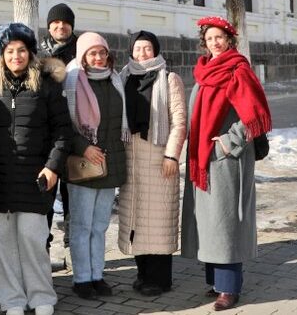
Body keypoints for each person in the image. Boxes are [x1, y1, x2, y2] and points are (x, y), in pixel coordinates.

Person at [0, 23, 70, 315]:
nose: (16, 56)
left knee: (32, 240)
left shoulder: (46, 86)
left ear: (30, 53)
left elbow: (62, 132)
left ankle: (41, 297)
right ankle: (12, 300)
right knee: (3, 244)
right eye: (9, 50)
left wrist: (52, 167)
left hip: (33, 178)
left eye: (21, 50)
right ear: (1, 54)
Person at [181, 16, 272, 311]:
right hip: (203, 159)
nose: (214, 43)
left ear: (230, 40)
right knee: (209, 223)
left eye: (219, 37)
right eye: (209, 39)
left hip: (227, 161)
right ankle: (216, 282)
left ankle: (229, 288)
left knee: (226, 223)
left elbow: (253, 115)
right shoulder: (204, 70)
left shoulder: (238, 70)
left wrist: (228, 143)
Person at [116, 30, 187, 296]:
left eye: (147, 48)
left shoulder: (169, 79)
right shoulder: (123, 77)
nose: (142, 53)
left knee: (157, 220)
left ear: (156, 50)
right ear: (131, 51)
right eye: (138, 48)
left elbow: (179, 122)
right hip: (131, 157)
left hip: (159, 159)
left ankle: (159, 279)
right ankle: (142, 274)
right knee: (136, 218)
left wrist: (172, 155)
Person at [63, 32, 128, 300]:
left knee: (100, 225)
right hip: (84, 164)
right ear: (83, 56)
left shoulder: (115, 79)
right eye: (92, 53)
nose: (98, 57)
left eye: (102, 52)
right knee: (82, 226)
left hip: (110, 162)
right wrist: (84, 147)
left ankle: (97, 275)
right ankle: (81, 279)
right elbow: (63, 124)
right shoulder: (72, 81)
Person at [39, 3, 78, 246]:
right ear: (49, 26)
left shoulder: (82, 51)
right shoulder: (39, 53)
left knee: (72, 194)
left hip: (75, 130)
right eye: (56, 22)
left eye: (65, 22)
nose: (60, 26)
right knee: (46, 191)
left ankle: (72, 242)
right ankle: (42, 242)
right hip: (48, 134)